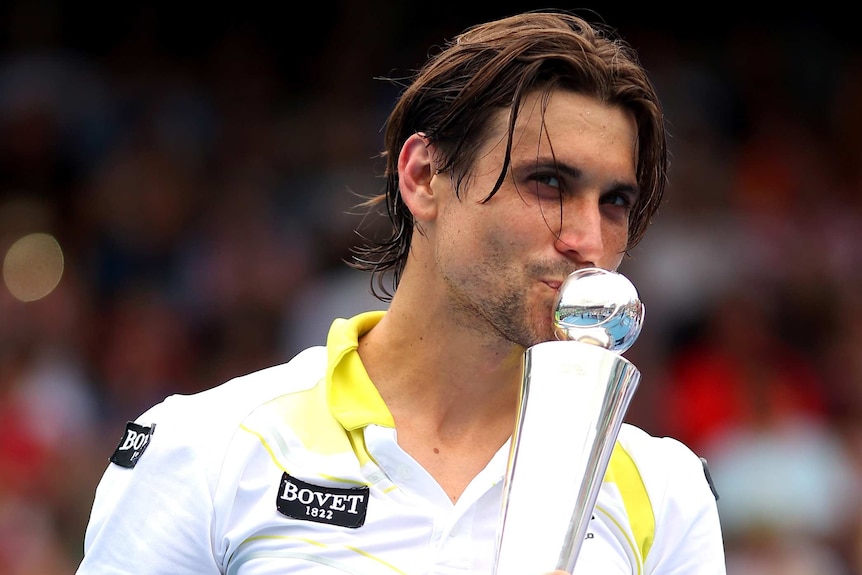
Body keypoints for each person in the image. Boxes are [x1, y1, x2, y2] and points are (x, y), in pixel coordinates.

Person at [76, 9, 726, 574]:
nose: (587, 238)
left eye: (614, 201)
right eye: (549, 183)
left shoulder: (665, 488)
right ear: (422, 176)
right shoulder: (205, 445)